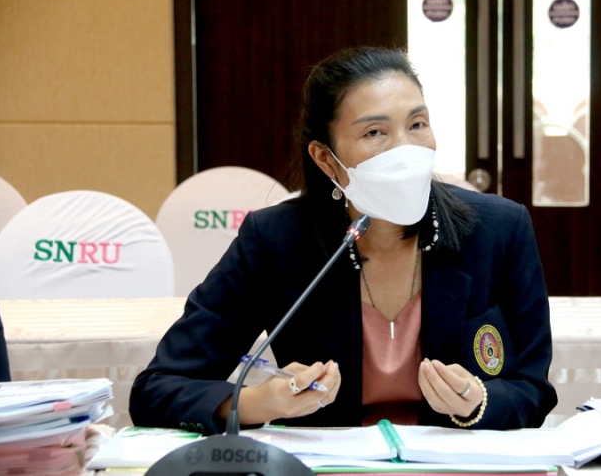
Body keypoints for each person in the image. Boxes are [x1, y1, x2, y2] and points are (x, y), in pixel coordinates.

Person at [130, 46, 557, 434]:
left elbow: (532, 390)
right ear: (326, 159)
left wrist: (480, 401)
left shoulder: (499, 229)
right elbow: (158, 388)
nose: (405, 149)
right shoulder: (275, 240)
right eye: (375, 133)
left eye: (417, 124)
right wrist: (259, 402)